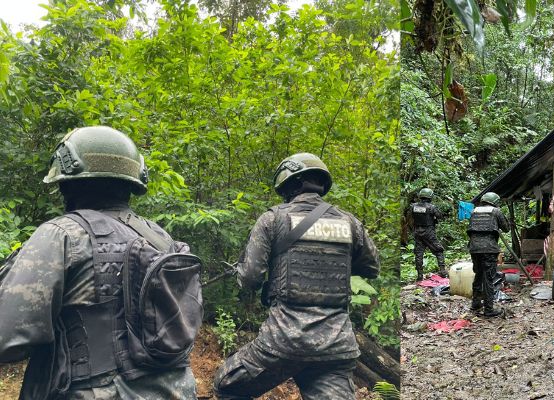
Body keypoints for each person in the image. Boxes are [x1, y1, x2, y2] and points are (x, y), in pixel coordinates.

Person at [0, 126, 198, 399]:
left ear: (66, 183)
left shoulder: (63, 234)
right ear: (132, 183)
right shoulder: (161, 238)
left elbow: (8, 337)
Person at [214, 153, 380, 400]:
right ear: (321, 184)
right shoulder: (349, 222)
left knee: (226, 385)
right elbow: (372, 268)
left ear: (288, 184)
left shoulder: (273, 219)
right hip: (336, 347)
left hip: (282, 342)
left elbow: (250, 278)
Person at [467, 192, 509, 317]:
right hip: (489, 249)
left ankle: (475, 303)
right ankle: (489, 309)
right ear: (495, 201)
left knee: (478, 274)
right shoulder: (496, 211)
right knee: (488, 278)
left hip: (474, 248)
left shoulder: (474, 211)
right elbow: (506, 228)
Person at [409, 188, 446, 280]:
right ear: (430, 197)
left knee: (418, 254)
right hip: (429, 233)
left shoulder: (413, 206)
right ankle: (442, 271)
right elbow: (440, 216)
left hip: (417, 232)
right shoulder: (431, 207)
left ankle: (420, 276)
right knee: (439, 250)